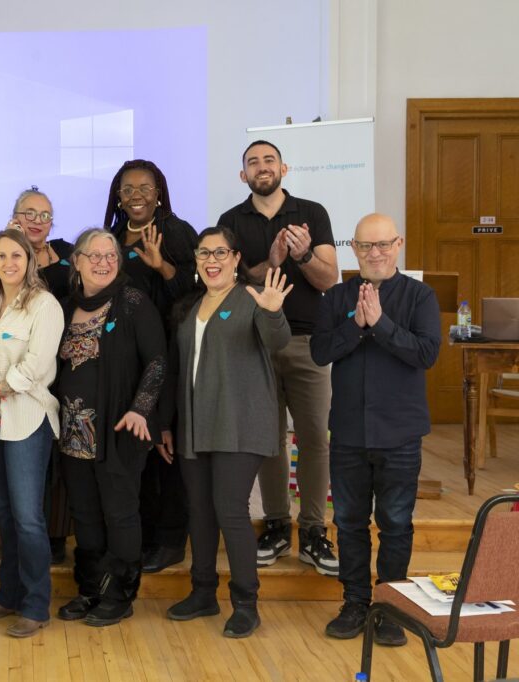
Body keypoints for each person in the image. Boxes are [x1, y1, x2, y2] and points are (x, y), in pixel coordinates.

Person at [311, 214, 441, 647]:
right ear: (354, 249)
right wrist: (356, 325)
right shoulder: (336, 297)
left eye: (383, 244)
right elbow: (320, 352)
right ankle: (354, 603)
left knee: (396, 524)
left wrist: (381, 324)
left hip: (400, 435)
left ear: (398, 245)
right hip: (348, 433)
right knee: (348, 524)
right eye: (366, 246)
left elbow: (426, 354)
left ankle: (389, 607)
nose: (375, 253)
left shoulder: (420, 296)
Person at [158, 227, 291, 639]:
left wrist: (272, 311)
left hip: (240, 423)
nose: (211, 260)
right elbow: (176, 370)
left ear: (236, 258)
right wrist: (166, 423)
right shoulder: (189, 305)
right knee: (199, 510)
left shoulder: (253, 299)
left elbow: (278, 342)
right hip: (194, 425)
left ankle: (246, 603)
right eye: (204, 253)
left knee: (229, 510)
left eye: (220, 252)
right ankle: (203, 593)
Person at [218, 140, 340, 575]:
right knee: (268, 440)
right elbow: (227, 284)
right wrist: (268, 263)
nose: (262, 167)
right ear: (243, 175)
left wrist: (302, 255)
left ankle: (313, 531)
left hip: (308, 342)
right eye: (253, 162)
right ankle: (275, 525)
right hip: (256, 343)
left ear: (283, 168)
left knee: (314, 439)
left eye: (269, 160)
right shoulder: (231, 221)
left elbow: (329, 279)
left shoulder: (313, 213)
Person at [55, 228, 167, 627]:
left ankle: (119, 594)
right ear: (77, 262)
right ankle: (90, 590)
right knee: (85, 514)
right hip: (72, 435)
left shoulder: (133, 302)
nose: (104, 263)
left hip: (119, 431)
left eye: (111, 256)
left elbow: (157, 361)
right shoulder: (65, 307)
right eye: (95, 255)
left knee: (119, 513)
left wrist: (140, 409)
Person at [0, 230, 64, 638]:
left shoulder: (45, 305)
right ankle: (8, 594)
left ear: (30, 260)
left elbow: (35, 367)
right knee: (5, 513)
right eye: (1, 256)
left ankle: (36, 605)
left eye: (16, 256)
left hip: (26, 417)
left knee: (27, 517)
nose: (9, 263)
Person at [104, 160, 199, 575]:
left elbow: (197, 289)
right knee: (134, 445)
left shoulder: (175, 232)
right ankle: (139, 533)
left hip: (166, 355)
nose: (136, 195)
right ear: (118, 196)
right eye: (128, 189)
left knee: (164, 446)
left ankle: (171, 539)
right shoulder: (109, 237)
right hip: (122, 359)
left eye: (145, 187)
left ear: (159, 192)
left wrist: (162, 266)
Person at [5, 186, 75, 564]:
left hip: (64, 368)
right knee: (23, 459)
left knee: (58, 457)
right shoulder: (7, 257)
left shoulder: (67, 253)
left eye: (44, 215)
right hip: (22, 370)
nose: (37, 221)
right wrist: (15, 247)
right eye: (28, 213)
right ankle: (18, 534)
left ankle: (56, 533)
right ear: (15, 217)